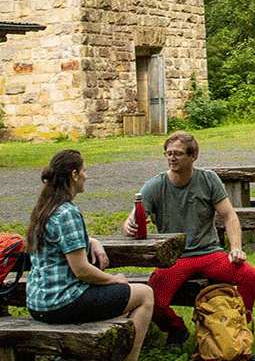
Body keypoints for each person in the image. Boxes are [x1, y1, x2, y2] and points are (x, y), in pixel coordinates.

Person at [129, 130, 255, 346]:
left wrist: (236, 248)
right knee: (152, 300)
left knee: (249, 274)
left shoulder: (208, 179)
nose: (172, 158)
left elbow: (229, 215)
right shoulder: (154, 186)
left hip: (210, 253)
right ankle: (177, 330)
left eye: (178, 154)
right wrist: (129, 225)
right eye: (168, 153)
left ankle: (238, 329)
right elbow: (132, 220)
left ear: (193, 156)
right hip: (173, 257)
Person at [25, 149, 155, 361]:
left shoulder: (45, 208)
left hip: (38, 303)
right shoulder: (68, 212)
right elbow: (82, 270)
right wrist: (115, 280)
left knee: (117, 306)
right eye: (84, 171)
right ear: (74, 175)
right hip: (62, 303)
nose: (87, 176)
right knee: (144, 294)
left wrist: (91, 240)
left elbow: (62, 241)